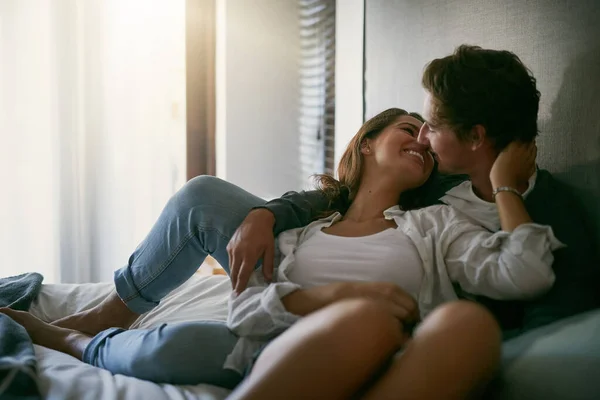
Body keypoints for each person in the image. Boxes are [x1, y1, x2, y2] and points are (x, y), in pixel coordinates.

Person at [0, 106, 560, 399]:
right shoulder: (303, 231)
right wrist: (335, 295)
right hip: (276, 349)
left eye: (427, 141)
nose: (420, 141)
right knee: (180, 345)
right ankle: (72, 337)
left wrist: (506, 184)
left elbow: (523, 270)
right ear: (366, 142)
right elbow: (246, 309)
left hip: (380, 351)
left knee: (463, 326)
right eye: (407, 129)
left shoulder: (435, 223)